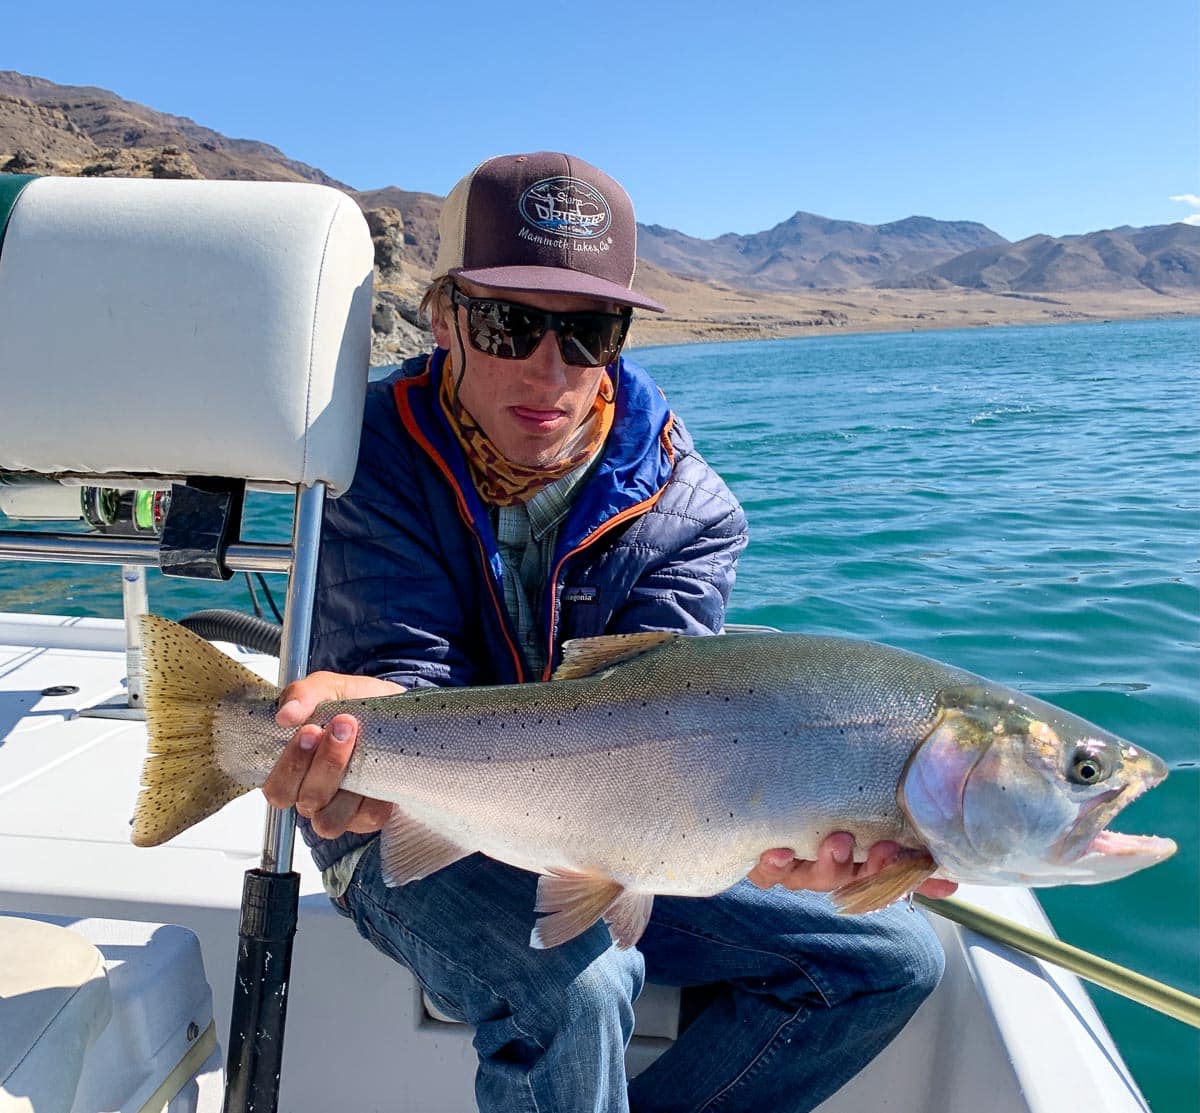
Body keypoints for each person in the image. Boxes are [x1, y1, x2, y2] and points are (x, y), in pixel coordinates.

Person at [261, 151, 953, 1112]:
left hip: (627, 824)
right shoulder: (362, 460)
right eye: (511, 322)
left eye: (589, 331)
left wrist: (773, 827)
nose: (550, 368)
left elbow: (672, 716)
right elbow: (401, 684)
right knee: (577, 985)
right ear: (445, 315)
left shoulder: (691, 510)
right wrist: (359, 729)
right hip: (415, 805)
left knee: (893, 955)